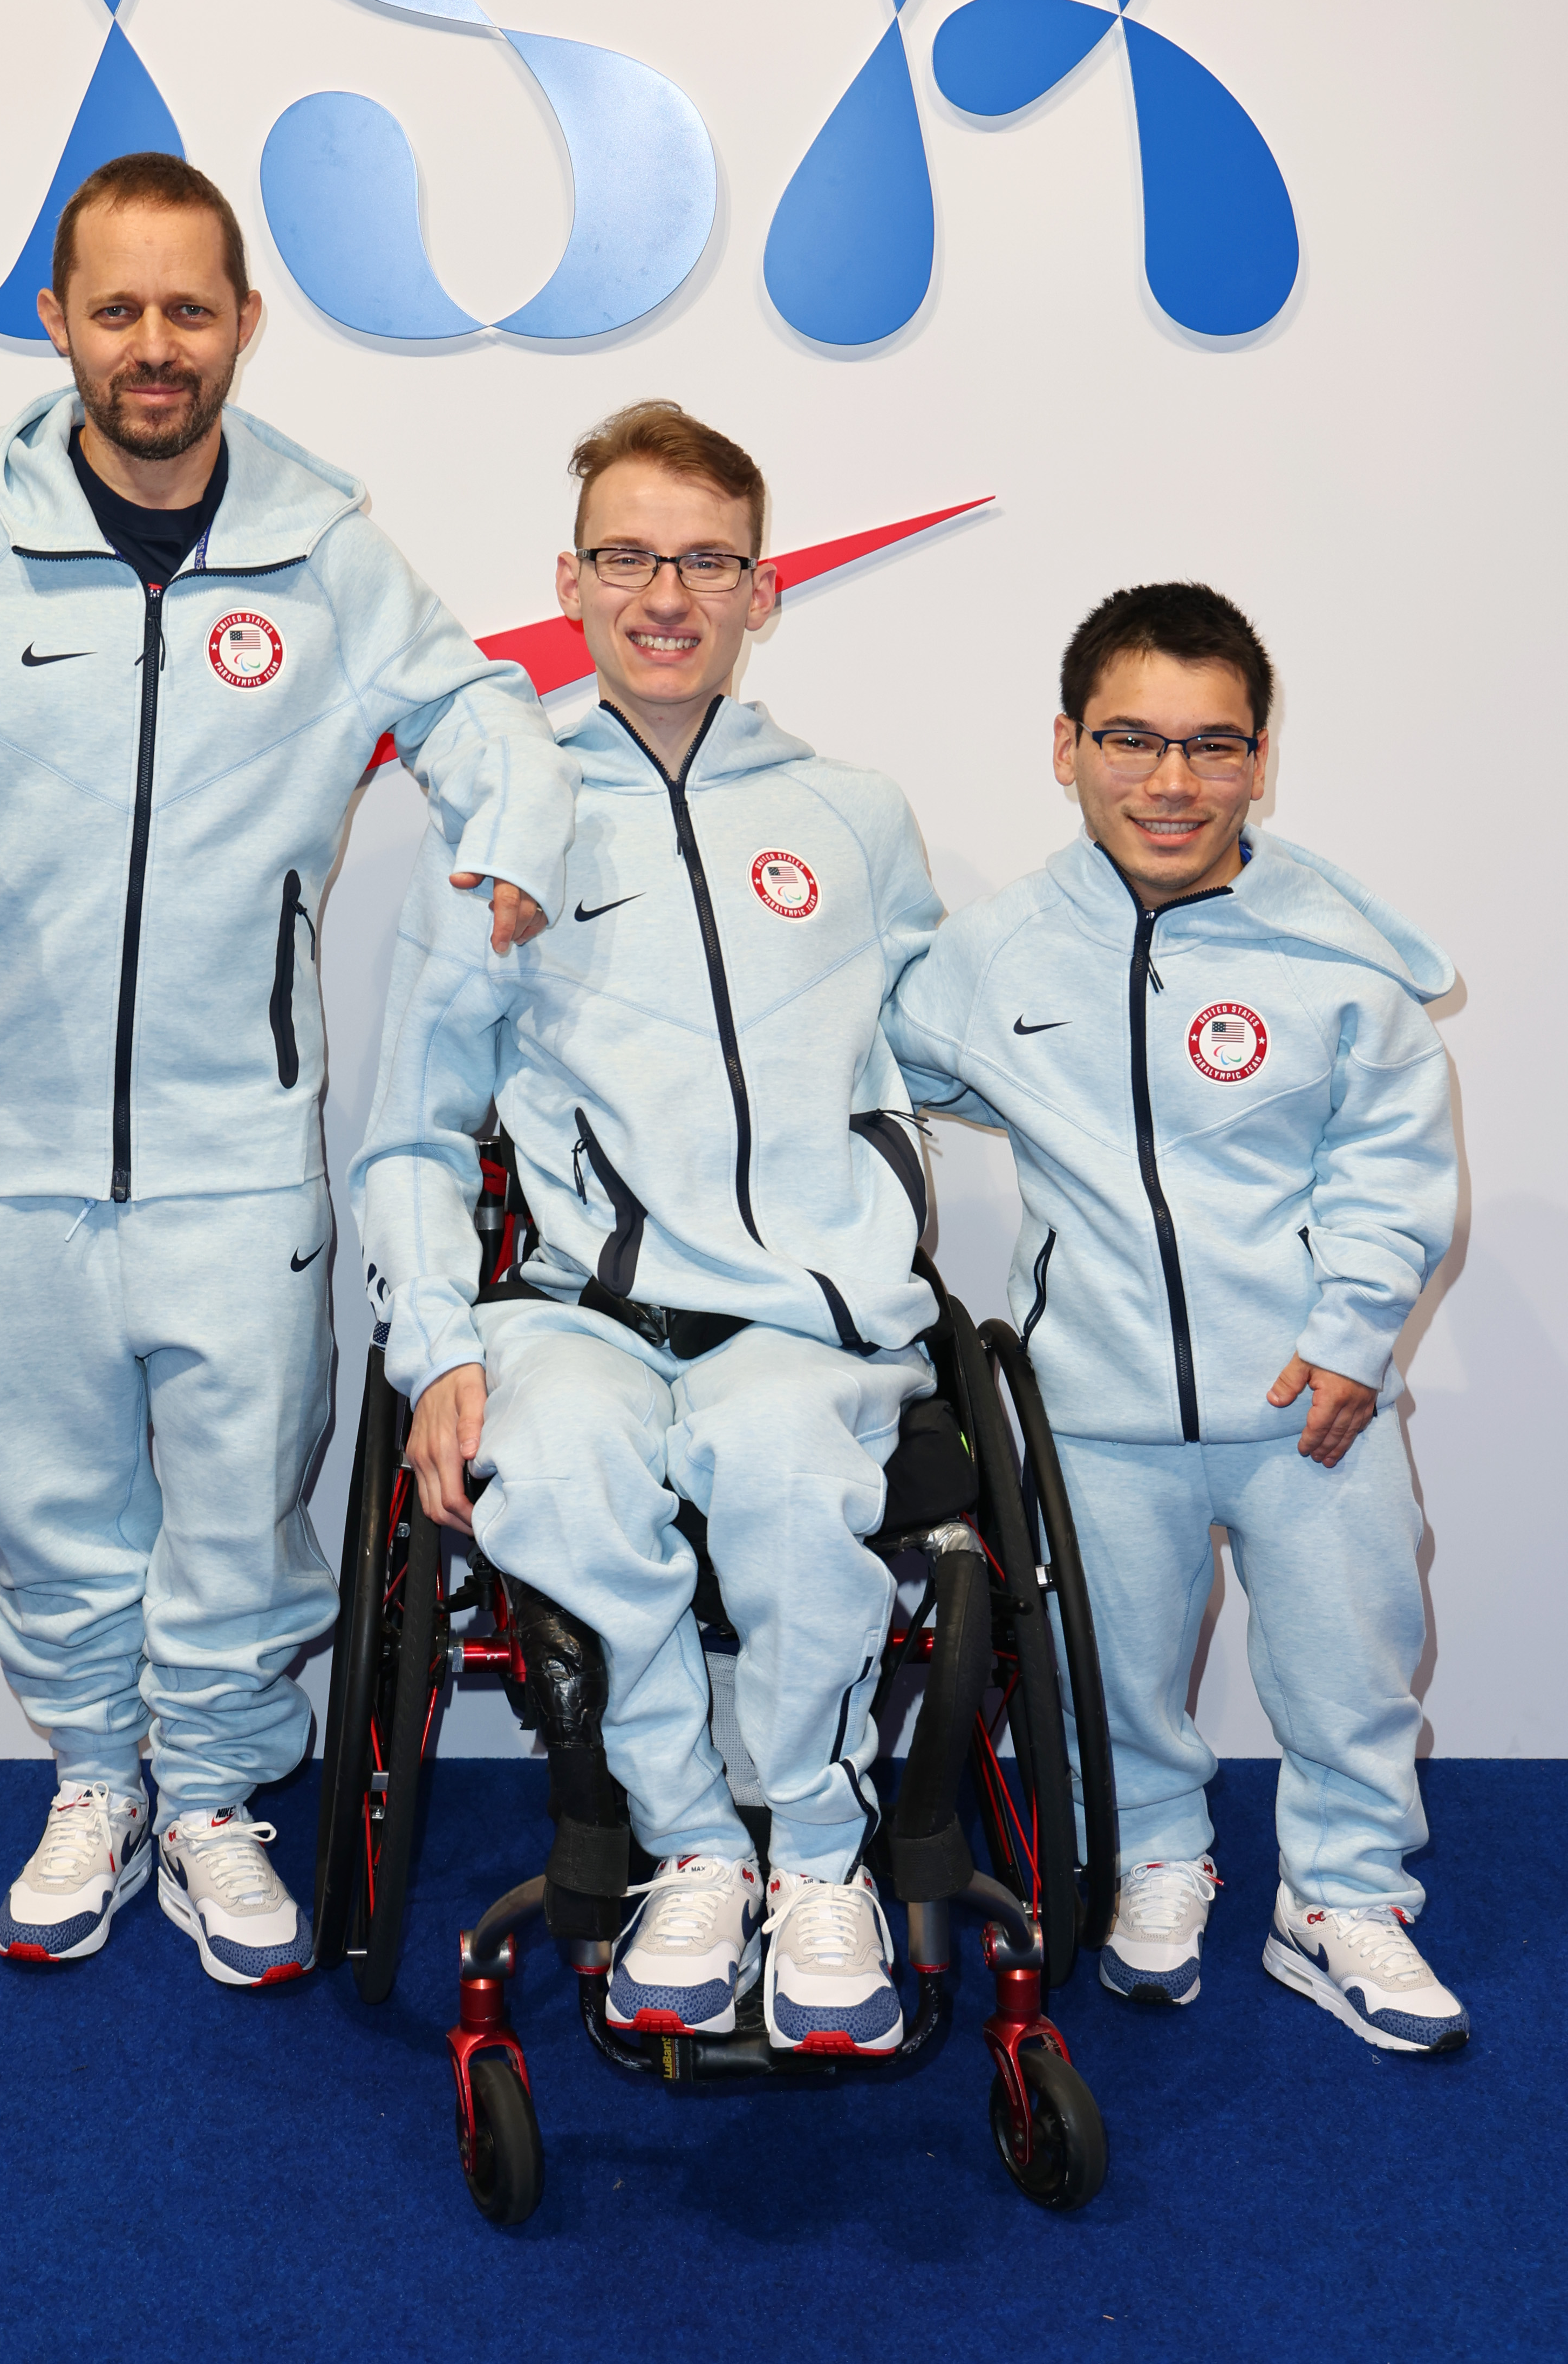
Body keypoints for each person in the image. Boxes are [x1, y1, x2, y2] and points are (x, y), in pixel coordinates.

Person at [0, 153, 575, 1983]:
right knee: (34, 1489)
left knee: (235, 1499)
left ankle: (210, 1795)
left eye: (187, 311)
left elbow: (471, 704)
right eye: (115, 309)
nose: (152, 347)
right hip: (11, 1131)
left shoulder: (328, 547)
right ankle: (93, 1781)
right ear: (57, 323)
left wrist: (508, 826)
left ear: (241, 329)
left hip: (238, 1137)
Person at [353, 401, 946, 2056]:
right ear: (571, 577)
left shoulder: (858, 817)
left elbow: (939, 1034)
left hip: (799, 1321)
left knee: (779, 1473)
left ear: (765, 589)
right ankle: (696, 1841)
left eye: (705, 559)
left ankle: (817, 1857)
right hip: (578, 1311)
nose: (664, 592)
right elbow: (407, 1124)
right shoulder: (504, 821)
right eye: (626, 555)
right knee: (550, 1472)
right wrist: (434, 1353)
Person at [891, 582, 1469, 2053]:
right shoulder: (999, 950)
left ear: (1261, 760)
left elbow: (1390, 1158)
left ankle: (1343, 1899)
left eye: (1213, 747)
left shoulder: (1341, 951)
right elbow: (880, 1071)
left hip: (1309, 1399)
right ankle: (1158, 1857)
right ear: (1067, 746)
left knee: (1352, 1663)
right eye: (1133, 739)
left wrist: (1352, 1336)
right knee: (1113, 1673)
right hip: (1099, 1403)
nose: (1171, 781)